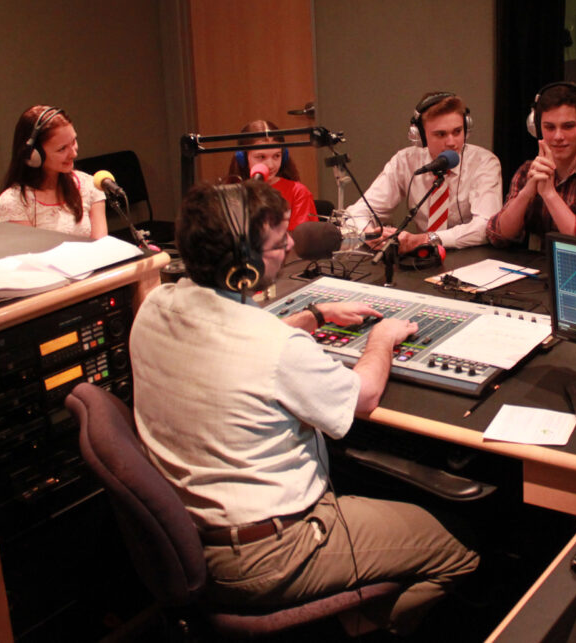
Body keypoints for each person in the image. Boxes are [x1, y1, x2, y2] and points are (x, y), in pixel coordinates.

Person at [128, 179, 478, 635]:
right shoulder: (276, 347)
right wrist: (382, 339)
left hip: (192, 540)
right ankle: (359, 628)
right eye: (278, 243)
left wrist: (312, 315)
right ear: (243, 270)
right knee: (460, 548)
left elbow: (229, 335)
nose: (291, 244)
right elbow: (363, 393)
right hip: (275, 551)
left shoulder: (154, 305)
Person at [348, 92, 502, 253]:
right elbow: (358, 212)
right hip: (423, 258)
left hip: (470, 255)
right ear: (420, 136)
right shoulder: (405, 161)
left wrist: (426, 239)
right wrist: (369, 235)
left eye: (457, 132)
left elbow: (487, 225)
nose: (452, 142)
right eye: (441, 134)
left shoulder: (484, 162)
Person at [487, 82, 576, 246]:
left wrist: (549, 194)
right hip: (538, 267)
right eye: (549, 127)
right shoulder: (527, 170)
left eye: (568, 126)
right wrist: (526, 193)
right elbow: (497, 235)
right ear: (537, 129)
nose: (558, 136)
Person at [0, 105, 107, 239]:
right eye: (62, 149)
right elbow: (28, 256)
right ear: (34, 155)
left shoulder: (90, 185)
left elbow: (101, 246)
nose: (73, 153)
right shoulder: (13, 202)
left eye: (73, 141)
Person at [226, 119, 318, 231]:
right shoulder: (231, 194)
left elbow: (301, 241)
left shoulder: (298, 192)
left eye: (276, 156)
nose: (270, 165)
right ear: (243, 158)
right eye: (261, 157)